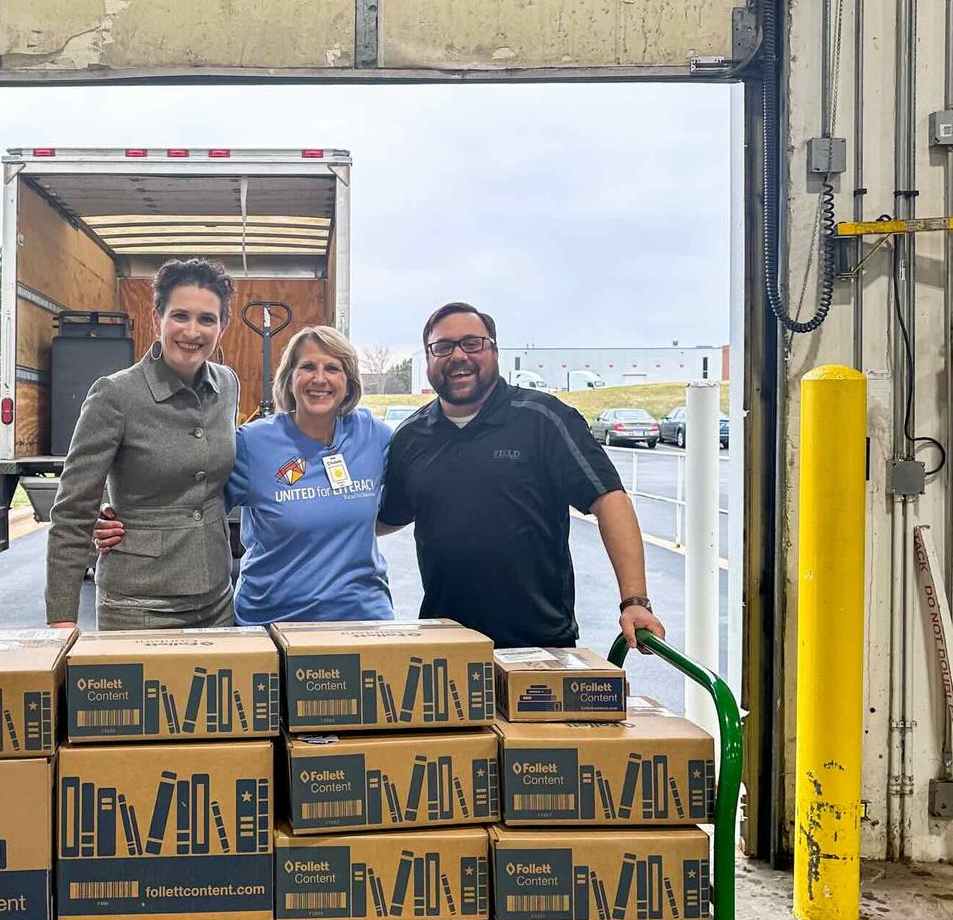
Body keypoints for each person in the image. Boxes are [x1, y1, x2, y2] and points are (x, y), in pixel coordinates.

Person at [378, 301, 666, 651]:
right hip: (446, 644)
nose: (458, 355)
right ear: (427, 358)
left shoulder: (544, 419)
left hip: (540, 644)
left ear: (494, 351)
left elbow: (609, 501)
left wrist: (634, 601)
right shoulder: (411, 436)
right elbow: (386, 516)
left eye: (472, 343)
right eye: (442, 347)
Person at [95, 326, 394, 624]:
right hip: (273, 620)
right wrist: (121, 522)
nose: (319, 378)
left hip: (363, 617)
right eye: (307, 367)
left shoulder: (374, 436)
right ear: (289, 378)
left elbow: (408, 499)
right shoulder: (253, 444)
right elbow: (188, 505)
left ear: (349, 382)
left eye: (332, 368)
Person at [45, 258, 239, 629]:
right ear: (156, 319)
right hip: (137, 606)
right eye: (180, 315)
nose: (192, 331)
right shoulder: (114, 395)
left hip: (217, 601)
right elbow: (72, 511)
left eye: (207, 319)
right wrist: (61, 619)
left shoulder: (227, 385)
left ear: (223, 326)